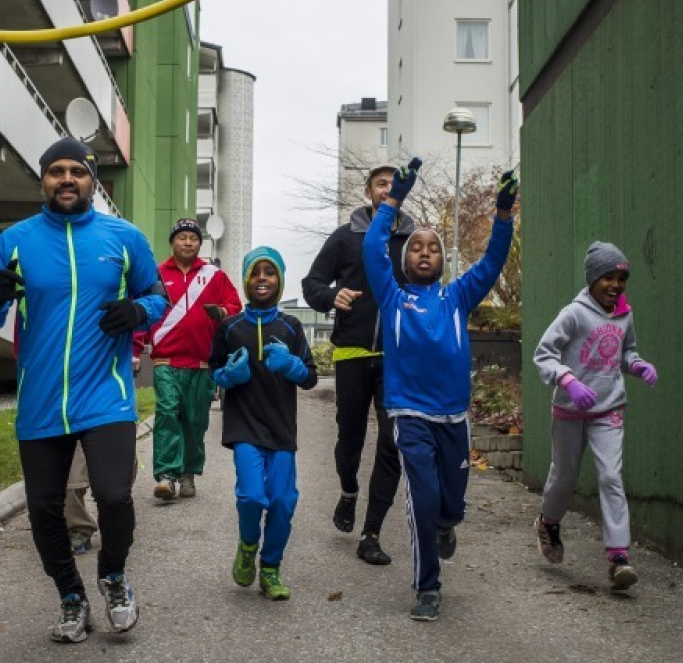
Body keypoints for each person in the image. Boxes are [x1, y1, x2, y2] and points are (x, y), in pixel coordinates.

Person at [0, 137, 167, 644]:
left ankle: (113, 577)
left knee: (114, 496)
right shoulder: (15, 241)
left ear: (92, 180)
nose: (66, 179)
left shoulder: (124, 238)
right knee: (43, 508)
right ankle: (71, 597)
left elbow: (158, 298)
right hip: (40, 400)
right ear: (42, 180)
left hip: (106, 393)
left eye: (76, 171)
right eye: (55, 171)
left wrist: (138, 311)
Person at [363, 159, 518, 621]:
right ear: (405, 260)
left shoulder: (457, 296)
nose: (425, 253)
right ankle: (427, 587)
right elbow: (372, 247)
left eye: (433, 248)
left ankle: (447, 524)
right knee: (423, 499)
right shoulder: (392, 296)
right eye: (416, 247)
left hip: (454, 417)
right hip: (410, 415)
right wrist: (393, 202)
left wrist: (503, 214)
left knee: (450, 503)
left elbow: (492, 262)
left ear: (442, 261)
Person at [302, 164, 415, 565]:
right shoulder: (345, 237)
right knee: (349, 439)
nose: (387, 189)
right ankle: (348, 490)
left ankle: (372, 533)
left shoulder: (412, 241)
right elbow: (311, 285)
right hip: (352, 353)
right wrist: (331, 296)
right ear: (368, 191)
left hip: (397, 358)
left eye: (393, 184)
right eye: (380, 184)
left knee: (392, 442)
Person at [531, 241, 658, 590]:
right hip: (570, 409)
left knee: (611, 477)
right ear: (592, 278)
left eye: (622, 278)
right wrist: (568, 380)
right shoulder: (573, 314)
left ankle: (619, 558)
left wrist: (638, 365)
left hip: (609, 408)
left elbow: (626, 351)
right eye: (607, 277)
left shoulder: (625, 314)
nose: (615, 285)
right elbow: (544, 353)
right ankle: (549, 522)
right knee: (564, 476)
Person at [211, 247, 319, 601]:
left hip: (281, 429)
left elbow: (310, 378)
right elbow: (213, 370)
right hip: (244, 426)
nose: (262, 278)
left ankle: (270, 567)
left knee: (283, 501)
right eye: (255, 272)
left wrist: (291, 365)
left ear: (280, 280)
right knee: (251, 496)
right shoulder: (229, 327)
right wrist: (228, 375)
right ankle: (247, 545)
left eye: (269, 272)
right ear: (245, 279)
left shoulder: (291, 326)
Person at [145, 218, 241, 500]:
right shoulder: (156, 274)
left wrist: (222, 313)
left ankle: (188, 473)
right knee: (167, 414)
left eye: (193, 238)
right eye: (182, 237)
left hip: (202, 362)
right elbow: (143, 308)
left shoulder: (214, 275)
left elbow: (235, 306)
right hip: (166, 360)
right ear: (172, 242)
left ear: (200, 243)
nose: (187, 242)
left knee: (195, 422)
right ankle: (166, 475)